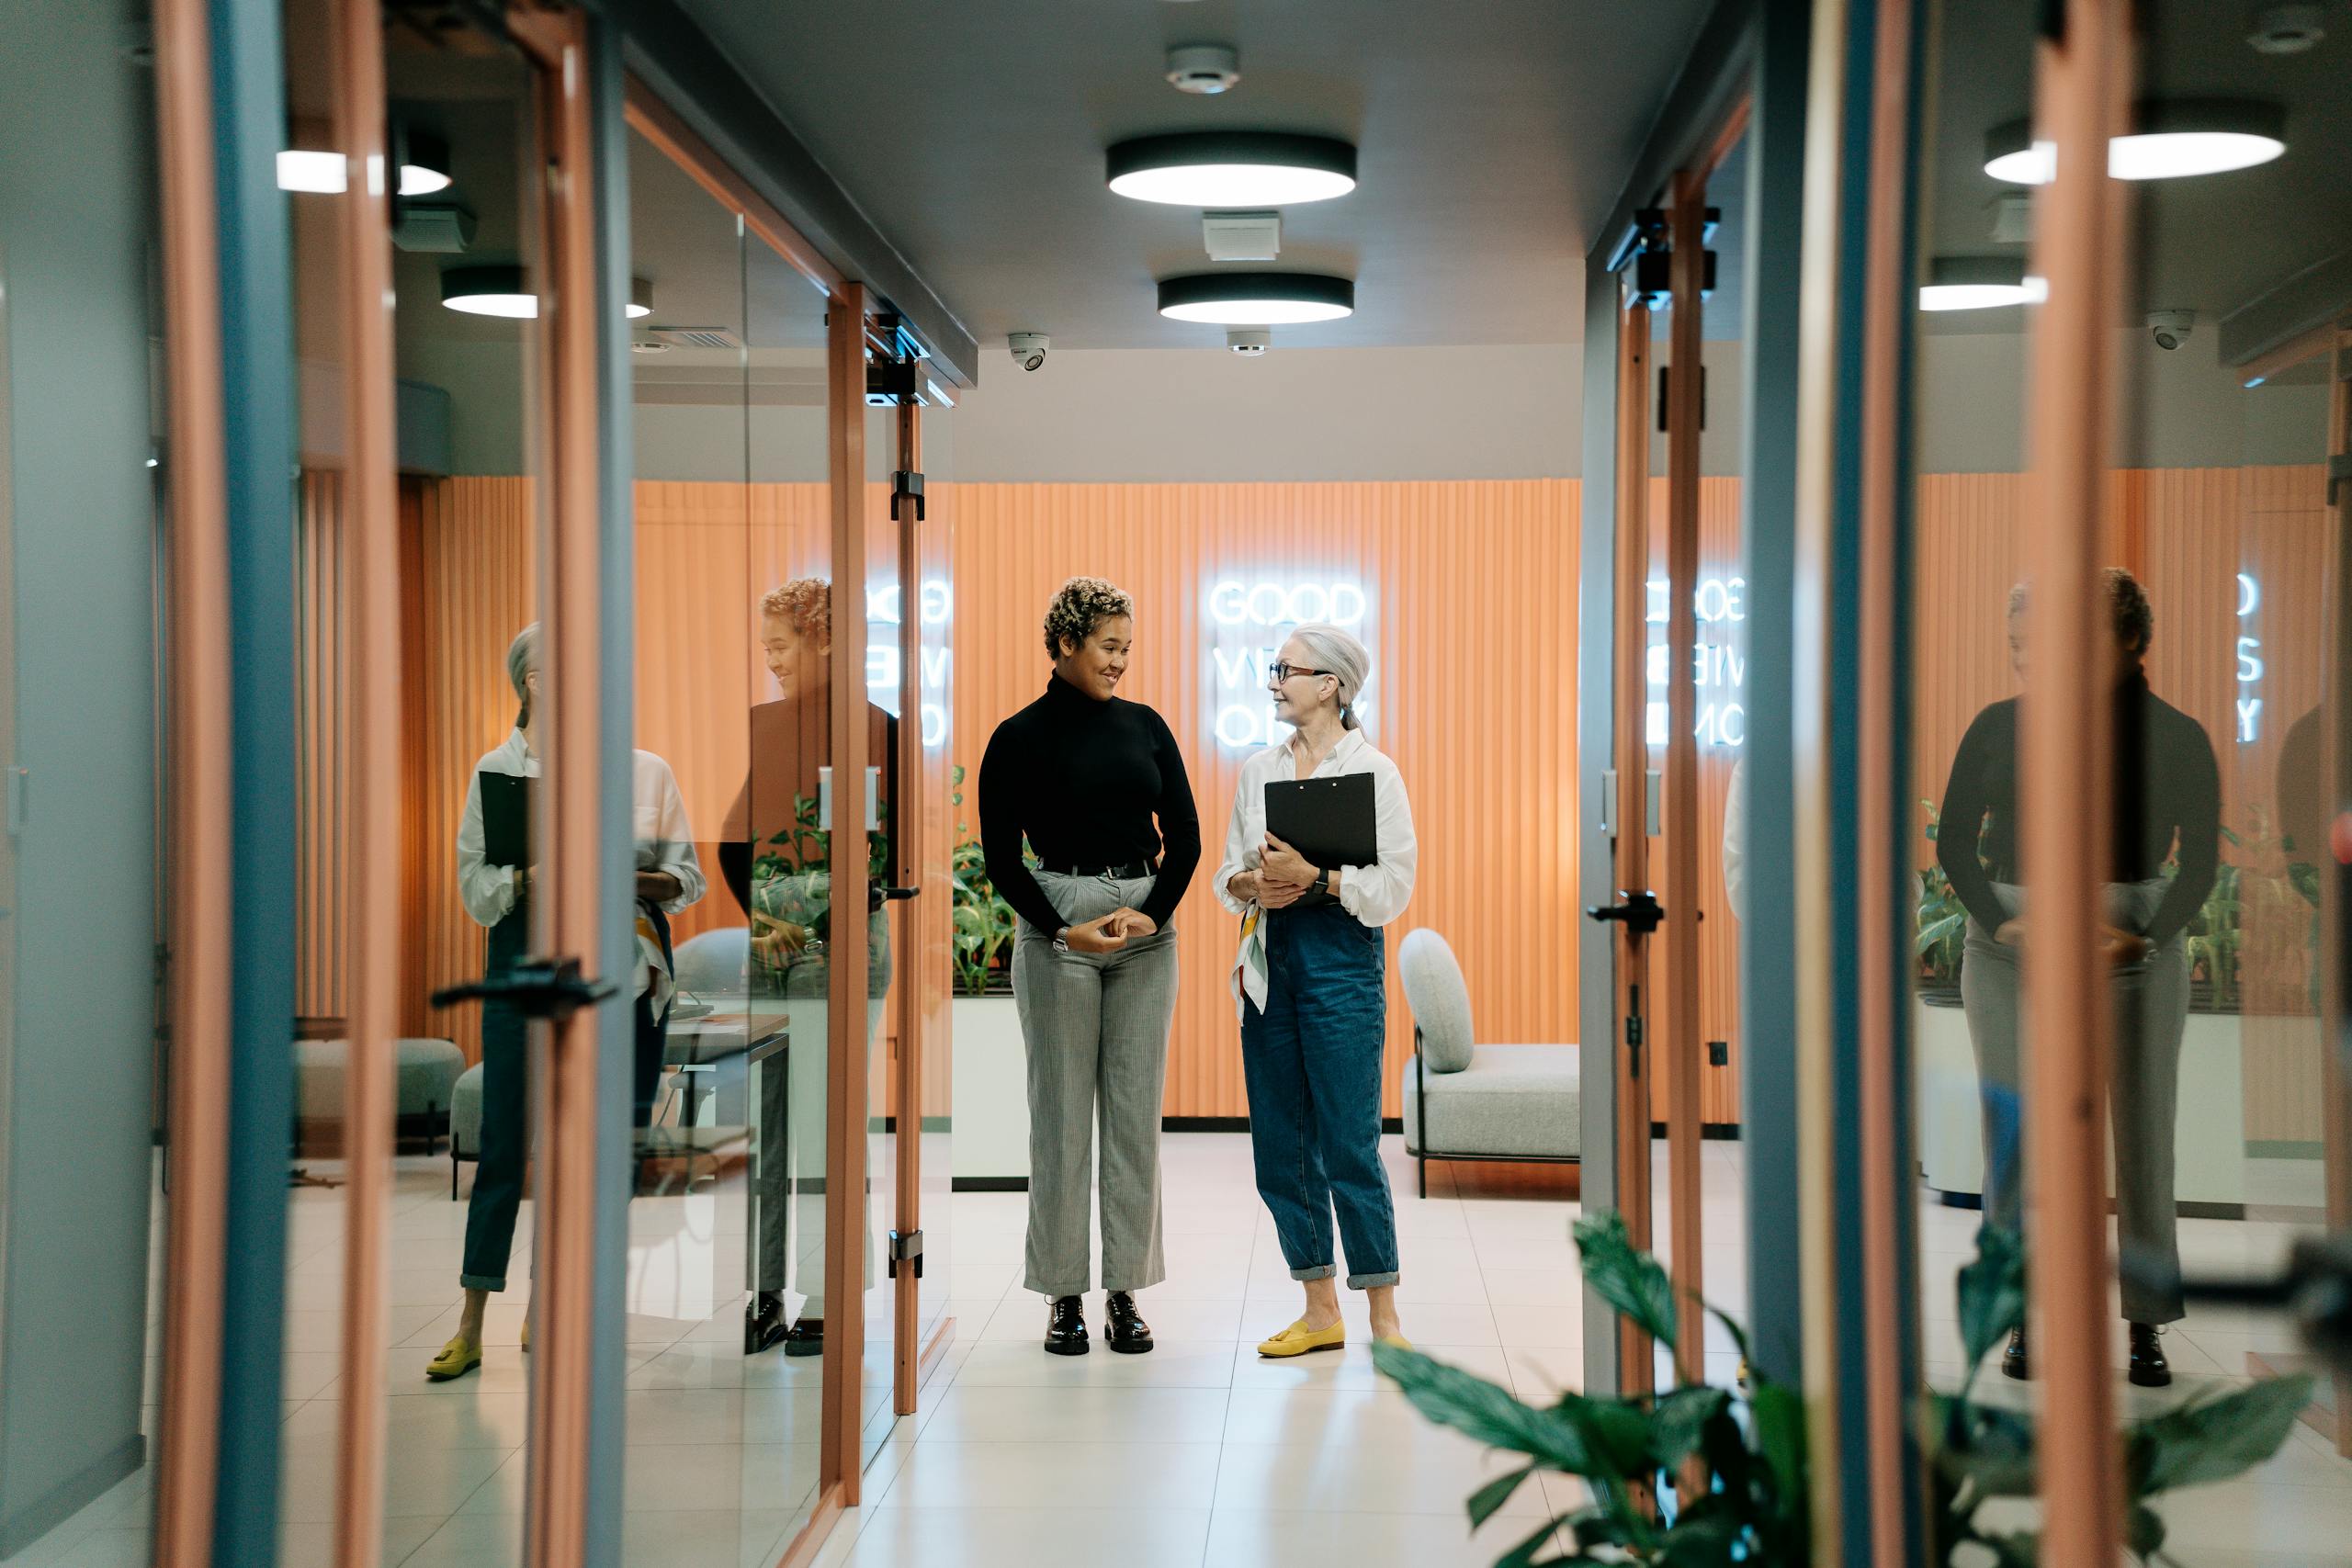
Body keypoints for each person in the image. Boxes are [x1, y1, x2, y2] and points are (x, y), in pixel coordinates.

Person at [1936, 569, 2218, 1388]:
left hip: (2132, 942)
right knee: (2017, 1141)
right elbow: (1956, 841)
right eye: (2024, 644)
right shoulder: (1998, 726)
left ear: (2132, 642)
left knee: (2142, 1137)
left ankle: (2145, 1325)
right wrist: (2000, 921)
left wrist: (2150, 940)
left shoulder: (2178, 735)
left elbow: (2198, 864)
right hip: (2009, 949)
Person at [427, 623, 704, 1381]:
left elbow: (689, 880)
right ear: (537, 680)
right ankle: (471, 1318)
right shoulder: (497, 770)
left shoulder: (644, 772)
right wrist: (529, 880)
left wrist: (619, 873)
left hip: (619, 972)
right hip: (525, 968)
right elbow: (473, 887)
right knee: (506, 1146)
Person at [978, 577, 1200, 1355]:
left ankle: (1125, 1291)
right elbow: (1001, 857)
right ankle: (1063, 1295)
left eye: (1128, 650)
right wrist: (1062, 931)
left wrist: (1153, 913)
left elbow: (1187, 837)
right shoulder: (1016, 736)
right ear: (1067, 642)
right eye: (1110, 647)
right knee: (1063, 1118)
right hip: (1058, 920)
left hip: (1144, 923)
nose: (1120, 663)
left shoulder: (1146, 726)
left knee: (1135, 1119)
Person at [1216, 623, 1419, 1356]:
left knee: (1349, 1145)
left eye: (1285, 669)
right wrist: (1249, 882)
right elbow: (1225, 873)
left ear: (1329, 684)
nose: (1273, 681)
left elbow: (1395, 885)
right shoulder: (1257, 770)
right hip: (1271, 962)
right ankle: (1319, 1308)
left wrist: (1319, 879)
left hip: (1342, 962)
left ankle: (1384, 1315)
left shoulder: (1377, 773)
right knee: (1281, 1144)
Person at [719, 580, 895, 1358]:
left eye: (781, 648)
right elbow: (733, 840)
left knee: (830, 1126)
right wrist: (763, 921)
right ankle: (764, 1294)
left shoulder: (872, 729)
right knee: (771, 1128)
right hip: (777, 945)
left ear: (824, 640)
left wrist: (800, 915)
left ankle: (828, 1297)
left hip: (841, 947)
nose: (772, 663)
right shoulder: (770, 728)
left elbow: (877, 860)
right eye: (765, 650)